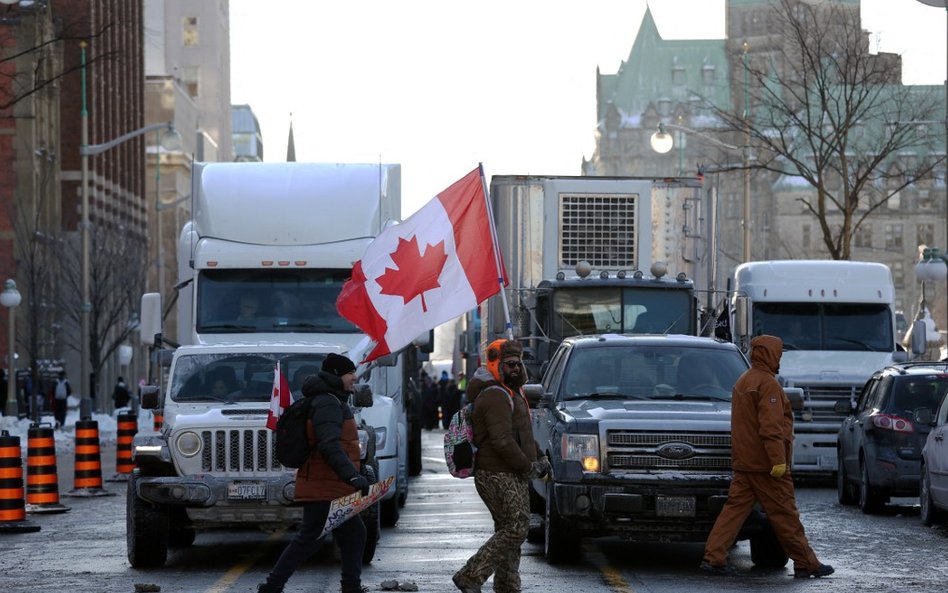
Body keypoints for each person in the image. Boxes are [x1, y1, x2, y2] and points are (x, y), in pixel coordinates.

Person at [700, 335, 834, 579]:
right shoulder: (768, 385)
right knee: (785, 514)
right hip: (767, 467)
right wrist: (778, 461)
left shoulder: (744, 381)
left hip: (745, 463)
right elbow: (771, 428)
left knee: (733, 513)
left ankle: (714, 557)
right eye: (778, 354)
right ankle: (806, 562)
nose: (779, 358)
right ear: (770, 354)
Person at [258, 353, 369, 593]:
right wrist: (351, 475)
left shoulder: (330, 399)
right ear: (338, 375)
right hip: (325, 484)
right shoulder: (327, 403)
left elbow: (343, 445)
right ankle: (272, 585)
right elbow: (330, 444)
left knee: (353, 534)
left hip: (331, 483)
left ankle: (351, 586)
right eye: (351, 373)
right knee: (309, 538)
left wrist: (358, 471)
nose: (354, 377)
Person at [452, 339, 550, 593]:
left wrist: (539, 458)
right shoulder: (495, 395)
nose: (516, 368)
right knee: (517, 527)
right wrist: (528, 466)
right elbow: (503, 441)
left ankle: (507, 584)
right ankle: (470, 575)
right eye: (509, 364)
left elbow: (523, 436)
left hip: (509, 471)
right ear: (496, 365)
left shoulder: (511, 392)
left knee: (508, 528)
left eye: (518, 363)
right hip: (496, 472)